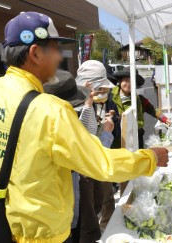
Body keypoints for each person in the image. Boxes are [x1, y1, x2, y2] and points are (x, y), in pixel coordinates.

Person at [0, 11, 168, 243]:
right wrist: (150, 158)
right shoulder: (51, 110)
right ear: (35, 53)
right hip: (43, 232)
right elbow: (100, 164)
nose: (59, 58)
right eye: (55, 50)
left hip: (0, 221)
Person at [43, 69, 115, 242]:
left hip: (63, 198)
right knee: (85, 227)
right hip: (76, 188)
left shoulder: (44, 117)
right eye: (98, 90)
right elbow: (88, 153)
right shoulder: (69, 118)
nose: (99, 94)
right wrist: (106, 133)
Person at [75, 60, 118, 241]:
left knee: (98, 208)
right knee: (88, 222)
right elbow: (91, 144)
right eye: (100, 89)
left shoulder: (89, 104)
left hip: (92, 172)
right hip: (84, 174)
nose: (104, 94)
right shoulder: (77, 109)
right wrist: (107, 133)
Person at [112, 67, 172, 149]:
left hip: (136, 136)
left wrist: (164, 119)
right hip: (116, 138)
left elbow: (152, 109)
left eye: (132, 81)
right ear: (120, 81)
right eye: (126, 80)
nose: (129, 84)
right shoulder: (110, 97)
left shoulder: (139, 99)